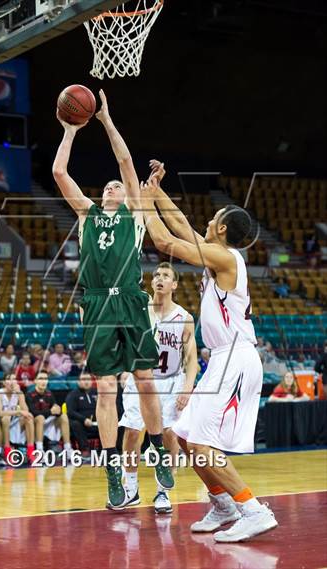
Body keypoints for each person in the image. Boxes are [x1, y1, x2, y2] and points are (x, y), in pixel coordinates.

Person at [141, 164, 277, 542]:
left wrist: (143, 205)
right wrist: (155, 192)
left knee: (202, 442)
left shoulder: (227, 259)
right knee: (185, 436)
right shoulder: (217, 253)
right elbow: (182, 226)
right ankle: (223, 505)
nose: (205, 221)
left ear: (220, 229)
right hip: (223, 357)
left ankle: (253, 509)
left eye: (213, 218)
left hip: (235, 356)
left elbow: (168, 243)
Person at [52, 90, 173, 508]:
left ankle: (157, 454)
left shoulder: (135, 213)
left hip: (131, 302)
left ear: (127, 194)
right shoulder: (86, 214)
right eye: (106, 185)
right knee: (106, 390)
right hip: (99, 303)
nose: (111, 186)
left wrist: (104, 121)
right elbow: (59, 172)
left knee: (143, 380)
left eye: (117, 186)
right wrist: (70, 131)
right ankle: (112, 475)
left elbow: (124, 163)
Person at [119, 262, 197, 513]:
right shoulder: (140, 310)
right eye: (156, 275)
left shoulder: (184, 317)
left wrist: (187, 387)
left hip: (171, 381)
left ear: (174, 284)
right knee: (132, 431)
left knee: (168, 435)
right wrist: (123, 368)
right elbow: (123, 342)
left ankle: (163, 492)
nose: (160, 279)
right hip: (141, 379)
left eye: (166, 276)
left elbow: (191, 358)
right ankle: (129, 488)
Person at [26, 372, 73, 456]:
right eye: (41, 379)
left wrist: (58, 411)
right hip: (34, 423)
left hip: (47, 421)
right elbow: (33, 412)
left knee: (64, 416)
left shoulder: (49, 393)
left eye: (45, 379)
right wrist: (50, 412)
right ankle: (39, 450)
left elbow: (55, 409)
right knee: (40, 417)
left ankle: (67, 448)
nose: (43, 381)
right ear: (35, 381)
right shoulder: (29, 394)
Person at [0, 373, 35, 465]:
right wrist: (18, 412)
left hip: (14, 421)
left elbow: (26, 411)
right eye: (9, 379)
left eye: (14, 379)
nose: (12, 381)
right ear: (4, 382)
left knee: (29, 418)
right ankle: (7, 450)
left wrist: (19, 394)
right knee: (6, 418)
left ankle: (30, 451)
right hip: (0, 423)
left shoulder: (19, 393)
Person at [66, 372, 99, 456]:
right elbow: (70, 412)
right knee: (75, 423)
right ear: (78, 382)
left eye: (88, 379)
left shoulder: (97, 392)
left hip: (97, 422)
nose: (86, 382)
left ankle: (104, 449)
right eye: (83, 380)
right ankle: (84, 449)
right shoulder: (73, 394)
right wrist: (84, 419)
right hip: (82, 424)